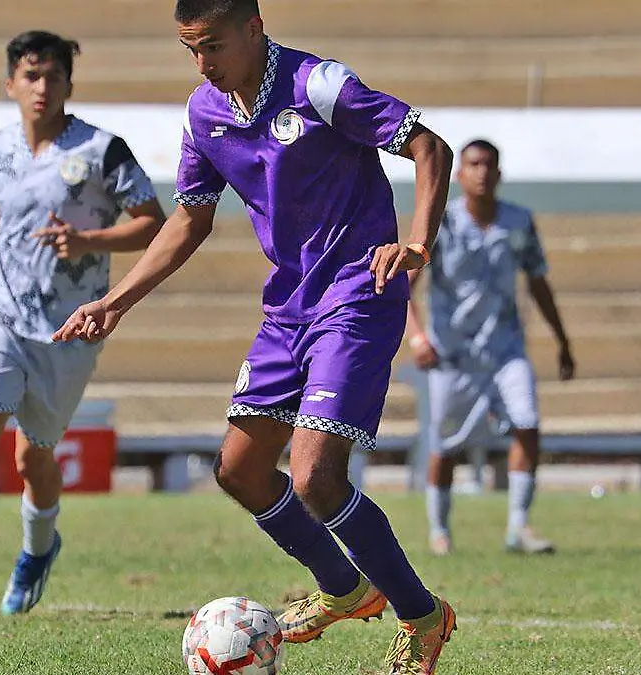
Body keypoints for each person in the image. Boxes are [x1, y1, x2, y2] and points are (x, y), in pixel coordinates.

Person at [54, 2, 455, 672]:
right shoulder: (205, 113)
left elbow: (428, 145)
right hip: (287, 307)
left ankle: (423, 615)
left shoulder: (318, 86)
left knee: (314, 477)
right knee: (239, 470)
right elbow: (190, 217)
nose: (203, 64)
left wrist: (416, 242)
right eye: (191, 51)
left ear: (253, 29)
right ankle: (345, 589)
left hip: (357, 293)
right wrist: (115, 301)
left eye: (212, 46)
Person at [0, 30, 164, 621]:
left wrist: (87, 240)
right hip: (1, 314)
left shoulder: (102, 150)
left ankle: (37, 550)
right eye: (31, 76)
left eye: (53, 76)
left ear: (69, 85)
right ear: (10, 85)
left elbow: (153, 223)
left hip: (68, 327)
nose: (42, 87)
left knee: (32, 460)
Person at [406, 139, 576, 557]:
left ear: (499, 174)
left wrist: (562, 339)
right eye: (473, 164)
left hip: (505, 350)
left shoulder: (518, 222)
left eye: (489, 165)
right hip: (452, 354)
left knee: (528, 423)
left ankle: (519, 526)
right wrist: (417, 336)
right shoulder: (442, 224)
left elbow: (537, 282)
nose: (482, 172)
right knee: (444, 444)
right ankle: (439, 530)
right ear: (459, 174)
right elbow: (405, 286)